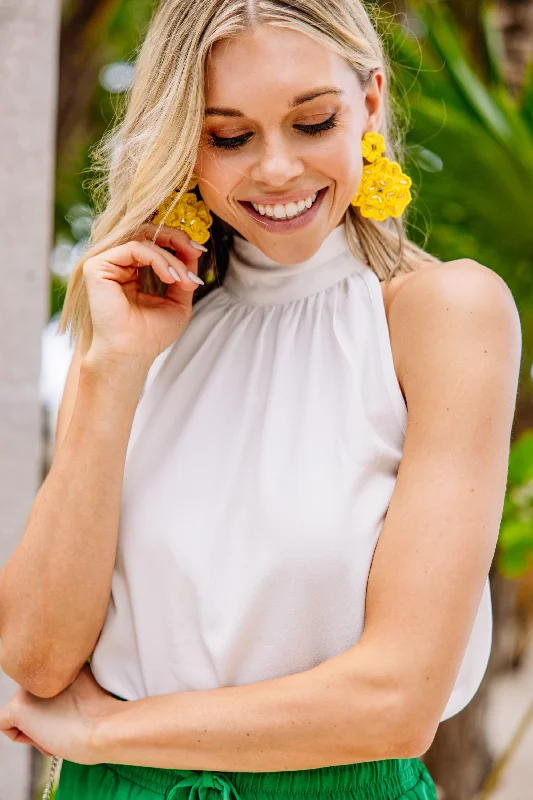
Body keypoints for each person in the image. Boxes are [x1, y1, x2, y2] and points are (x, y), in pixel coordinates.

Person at [0, 1, 521, 799]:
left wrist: (104, 732)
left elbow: (396, 701)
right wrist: (113, 368)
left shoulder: (442, 315)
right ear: (182, 143)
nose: (276, 169)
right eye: (229, 136)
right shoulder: (130, 337)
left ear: (370, 104)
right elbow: (37, 656)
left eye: (312, 122)